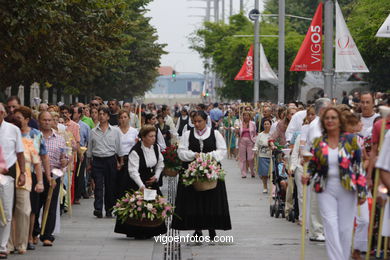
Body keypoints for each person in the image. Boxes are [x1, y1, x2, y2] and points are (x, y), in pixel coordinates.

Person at [303, 107, 367, 260]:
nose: (330, 121)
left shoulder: (351, 140)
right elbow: (313, 165)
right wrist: (308, 175)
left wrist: (362, 191)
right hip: (325, 188)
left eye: (333, 118)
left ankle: (344, 257)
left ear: (340, 121)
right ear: (323, 122)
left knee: (345, 229)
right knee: (330, 225)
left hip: (347, 188)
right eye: (327, 118)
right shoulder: (319, 142)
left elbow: (358, 166)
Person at [172, 110, 231, 240]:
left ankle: (212, 229)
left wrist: (208, 156)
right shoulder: (187, 134)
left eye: (200, 121)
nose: (197, 124)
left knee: (212, 200)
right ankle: (197, 229)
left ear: (206, 121)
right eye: (194, 122)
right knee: (193, 200)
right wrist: (194, 155)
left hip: (211, 170)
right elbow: (181, 152)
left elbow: (222, 151)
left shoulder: (215, 134)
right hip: (191, 171)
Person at [114, 125, 166, 238]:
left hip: (151, 181)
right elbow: (133, 171)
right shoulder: (135, 151)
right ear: (143, 137)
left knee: (153, 205)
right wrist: (141, 186)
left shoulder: (156, 148)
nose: (153, 138)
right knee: (138, 206)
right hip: (136, 181)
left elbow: (160, 163)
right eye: (150, 136)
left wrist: (156, 176)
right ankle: (137, 231)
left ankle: (151, 230)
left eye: (154, 136)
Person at [9, 107, 45, 254]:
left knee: (24, 211)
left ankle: (22, 242)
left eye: (19, 118)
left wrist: (40, 181)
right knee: (9, 212)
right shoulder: (7, 136)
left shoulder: (32, 137)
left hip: (25, 179)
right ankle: (9, 243)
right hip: (8, 177)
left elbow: (37, 161)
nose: (17, 121)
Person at [35, 111, 68, 247]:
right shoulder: (35, 136)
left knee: (52, 205)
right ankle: (34, 232)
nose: (47, 122)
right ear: (39, 121)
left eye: (49, 120)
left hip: (54, 175)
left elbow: (64, 157)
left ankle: (47, 235)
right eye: (44, 120)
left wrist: (65, 161)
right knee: (35, 205)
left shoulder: (59, 138)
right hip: (38, 173)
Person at [0, 103, 26, 259]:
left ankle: (2, 246)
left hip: (7, 175)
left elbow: (20, 153)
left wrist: (22, 173)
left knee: (7, 212)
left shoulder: (13, 130)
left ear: (2, 113)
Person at [87, 107, 121, 218]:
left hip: (110, 159)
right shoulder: (93, 132)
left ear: (108, 116)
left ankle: (109, 209)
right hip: (97, 160)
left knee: (110, 186)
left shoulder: (115, 131)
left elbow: (118, 147)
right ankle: (98, 208)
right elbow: (90, 148)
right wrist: (88, 163)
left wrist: (120, 161)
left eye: (104, 114)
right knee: (98, 186)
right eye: (100, 114)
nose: (101, 116)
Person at [116, 110, 138, 200]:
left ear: (129, 118)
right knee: (119, 182)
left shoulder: (134, 131)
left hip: (130, 159)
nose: (123, 119)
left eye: (125, 117)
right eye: (121, 117)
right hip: (118, 158)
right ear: (118, 119)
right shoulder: (115, 131)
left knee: (130, 182)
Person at [72, 106, 90, 204]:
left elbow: (88, 140)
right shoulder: (68, 125)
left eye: (74, 112)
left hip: (81, 152)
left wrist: (84, 152)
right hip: (71, 152)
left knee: (79, 175)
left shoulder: (85, 126)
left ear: (79, 114)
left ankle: (77, 196)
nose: (72, 114)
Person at [254, 118, 273, 193]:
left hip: (271, 156)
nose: (266, 125)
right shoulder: (260, 135)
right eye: (265, 124)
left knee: (272, 173)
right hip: (262, 156)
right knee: (264, 173)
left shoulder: (272, 134)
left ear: (270, 125)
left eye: (268, 124)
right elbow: (256, 145)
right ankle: (265, 187)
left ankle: (272, 188)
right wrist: (255, 149)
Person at [236, 111, 257, 178]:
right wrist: (237, 131)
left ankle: (252, 172)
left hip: (250, 141)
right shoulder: (240, 123)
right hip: (242, 141)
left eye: (247, 115)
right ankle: (243, 173)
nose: (246, 117)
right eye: (244, 115)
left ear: (250, 116)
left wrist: (254, 140)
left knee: (250, 158)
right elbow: (237, 134)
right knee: (242, 158)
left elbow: (255, 133)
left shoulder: (253, 123)